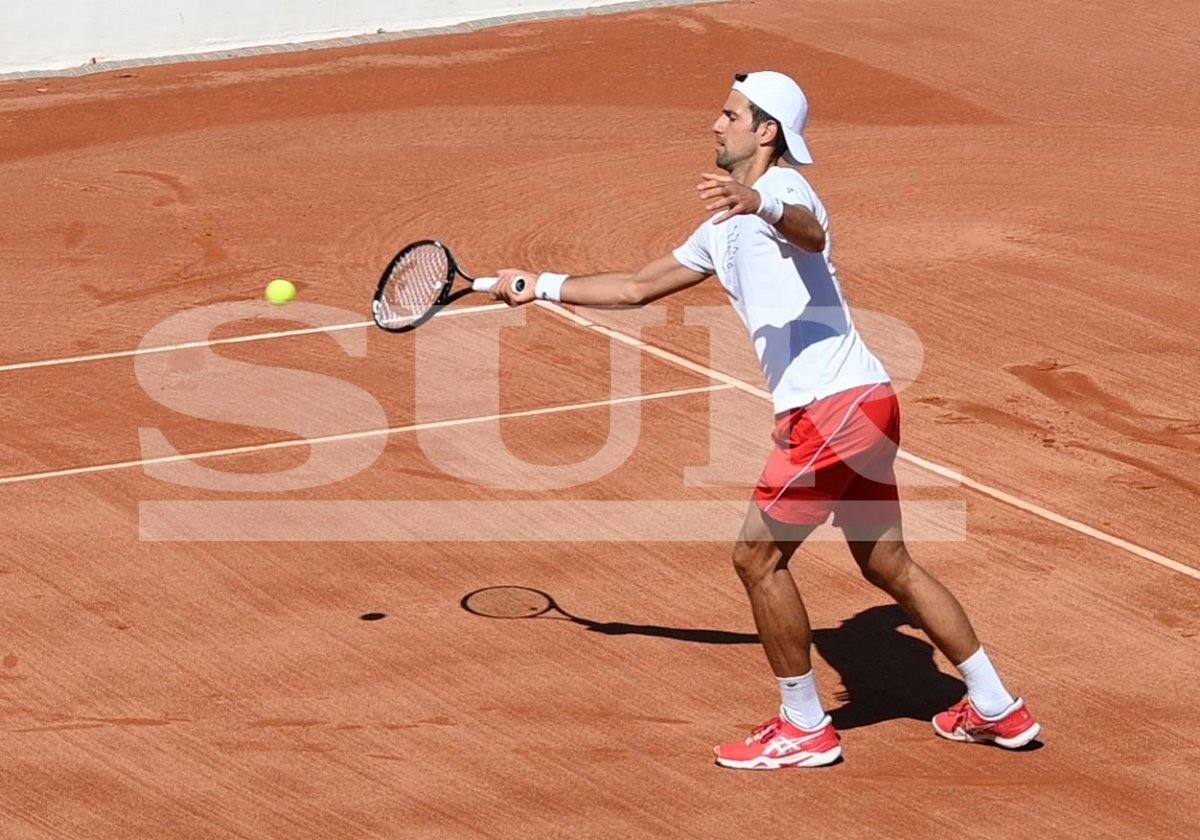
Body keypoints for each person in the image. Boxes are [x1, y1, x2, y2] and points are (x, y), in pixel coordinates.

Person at [488, 71, 1041, 769]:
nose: (716, 125)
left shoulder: (783, 192)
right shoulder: (721, 229)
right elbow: (635, 286)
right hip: (865, 400)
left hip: (833, 410)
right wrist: (540, 285)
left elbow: (807, 232)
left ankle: (805, 727)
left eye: (730, 115)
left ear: (766, 130)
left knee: (757, 557)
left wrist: (760, 203)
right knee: (887, 562)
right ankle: (997, 707)